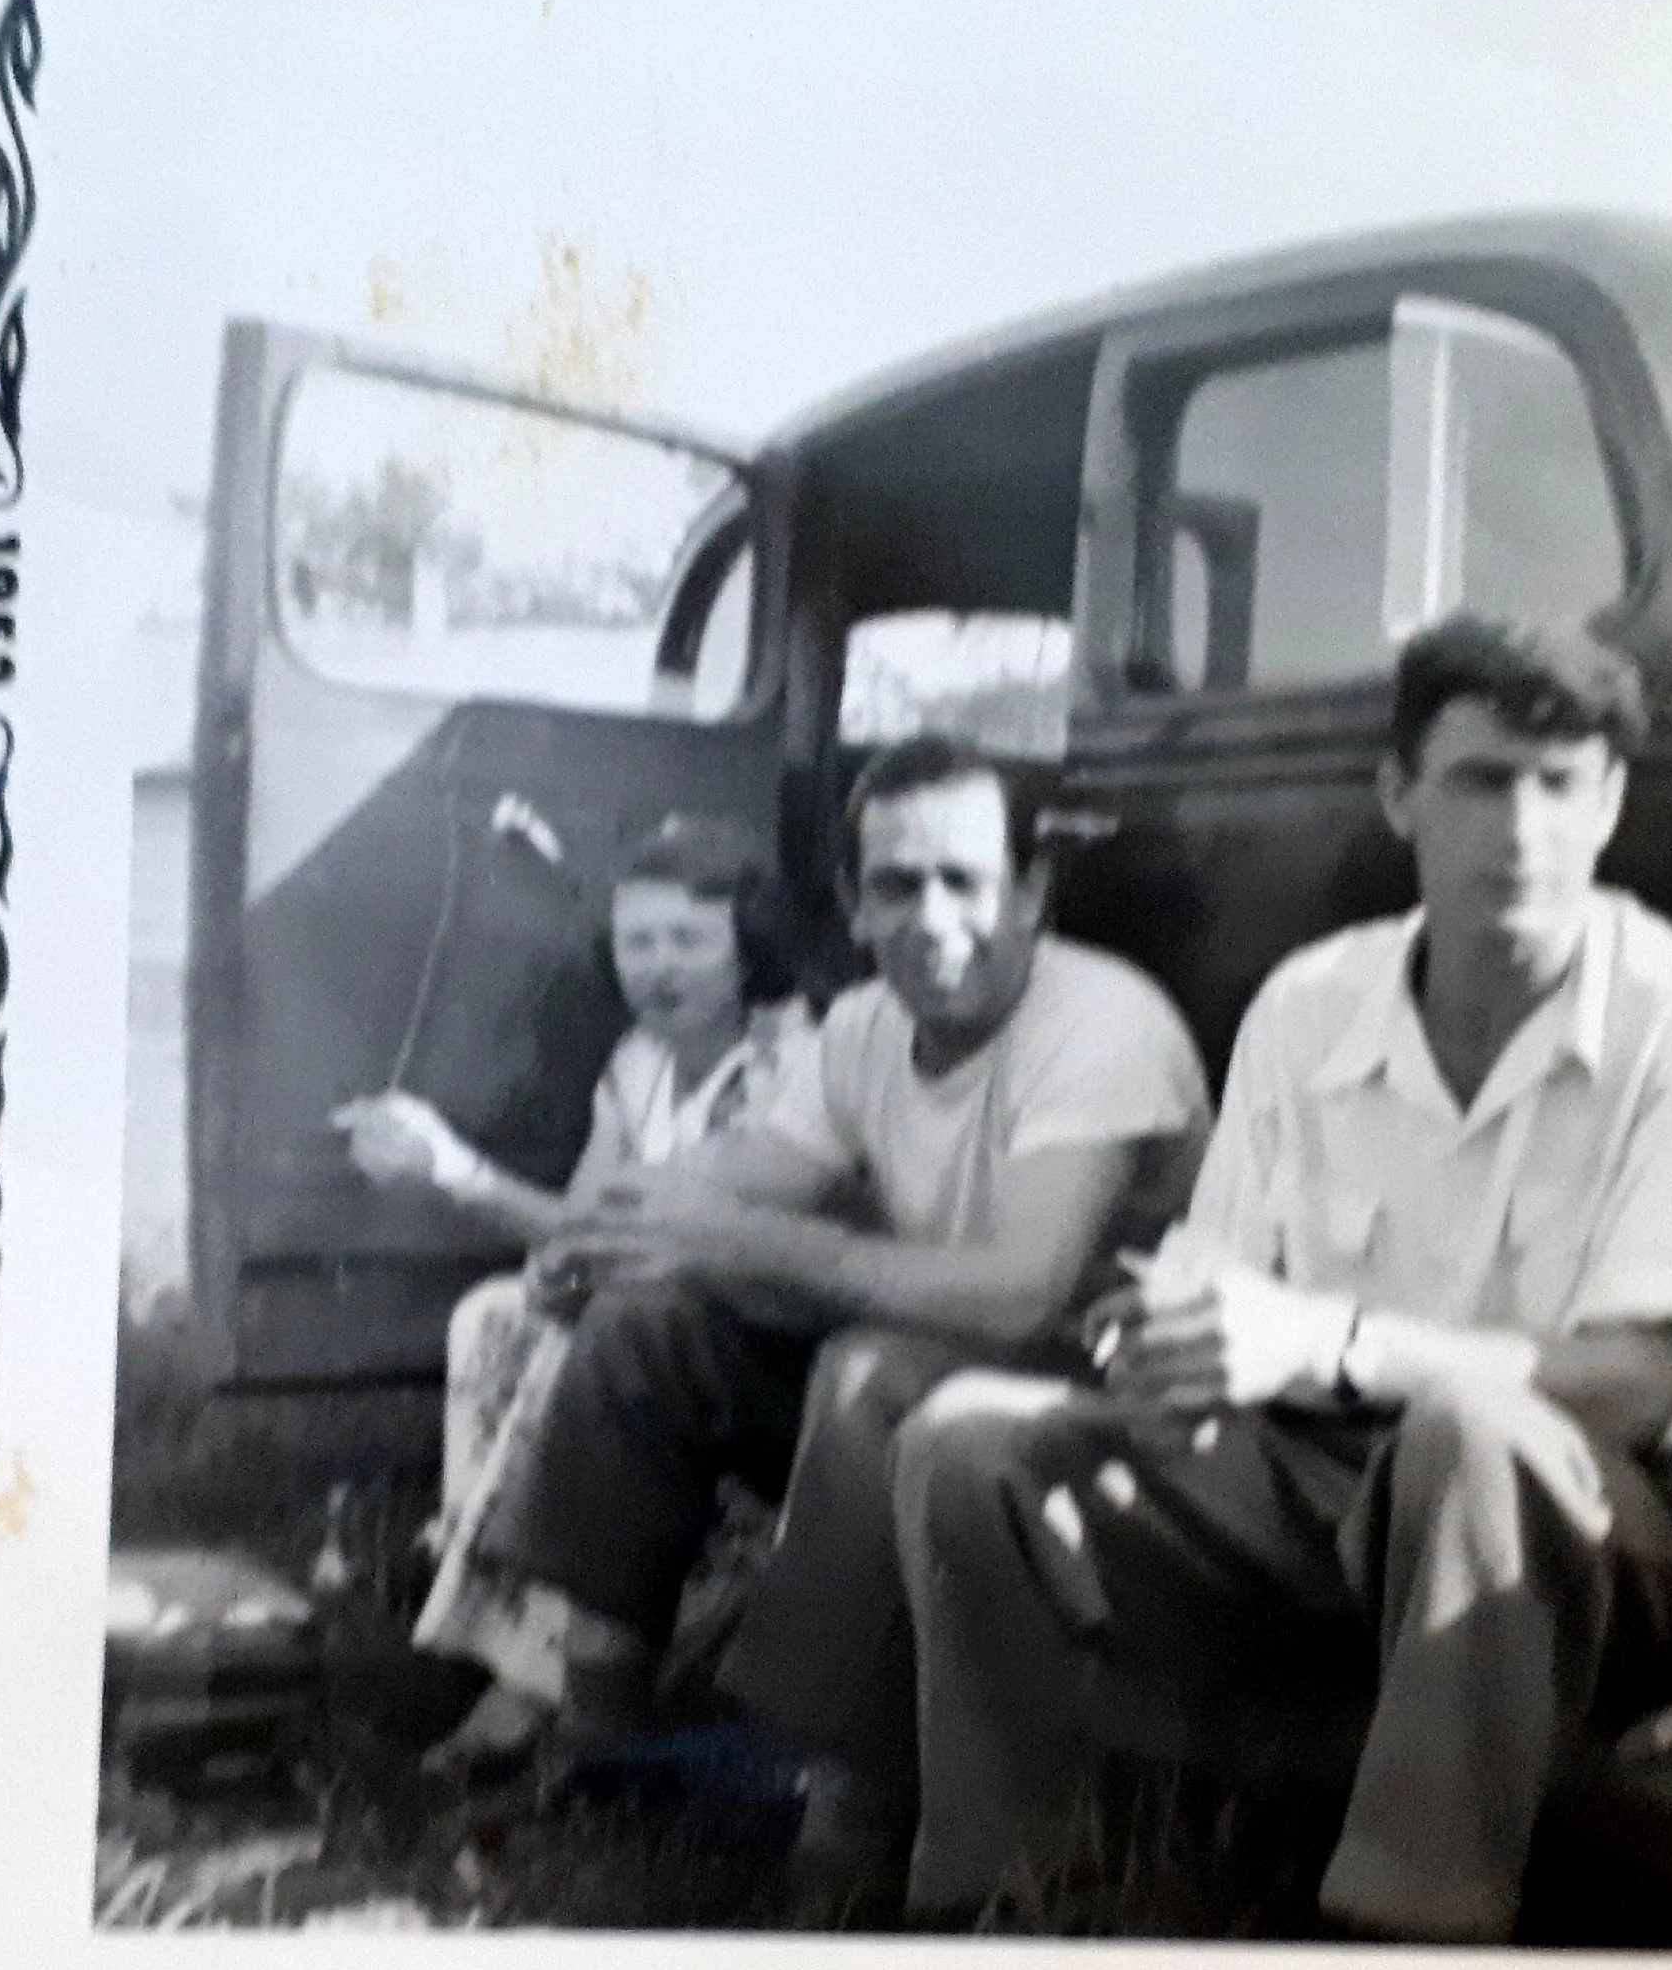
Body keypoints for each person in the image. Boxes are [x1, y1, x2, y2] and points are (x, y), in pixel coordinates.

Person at [885, 613, 1672, 1940]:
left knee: (1470, 1434)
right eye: (1483, 781)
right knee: (963, 1441)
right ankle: (1003, 1898)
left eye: (1561, 785)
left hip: (1596, 1532)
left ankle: (1406, 1938)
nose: (1523, 828)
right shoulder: (1311, 999)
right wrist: (1169, 1338)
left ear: (1608, 804)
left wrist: (1324, 1337)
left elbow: (1641, 1386)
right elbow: (1217, 1282)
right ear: (1398, 794)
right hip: (1310, 1487)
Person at [461, 735, 1212, 1796]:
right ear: (855, 909)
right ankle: (599, 1731)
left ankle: (835, 1786)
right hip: (920, 1369)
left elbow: (1023, 1289)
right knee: (648, 1323)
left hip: (1101, 1408)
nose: (934, 920)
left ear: (1033, 893)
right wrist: (602, 1225)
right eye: (898, 887)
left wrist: (760, 1244)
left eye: (967, 881)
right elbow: (737, 1174)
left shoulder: (1101, 1022)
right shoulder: (862, 1026)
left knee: (866, 1365)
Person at [329, 812, 814, 1770]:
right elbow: (589, 1220)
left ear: (748, 946)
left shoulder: (791, 1060)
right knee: (500, 1314)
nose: (657, 967)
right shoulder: (635, 1066)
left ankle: (530, 1679)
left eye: (688, 939)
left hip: (767, 1343)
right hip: (655, 1320)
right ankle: (509, 1641)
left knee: (573, 1335)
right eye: (637, 941)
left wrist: (460, 1173)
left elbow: (674, 1231)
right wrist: (558, 1257)